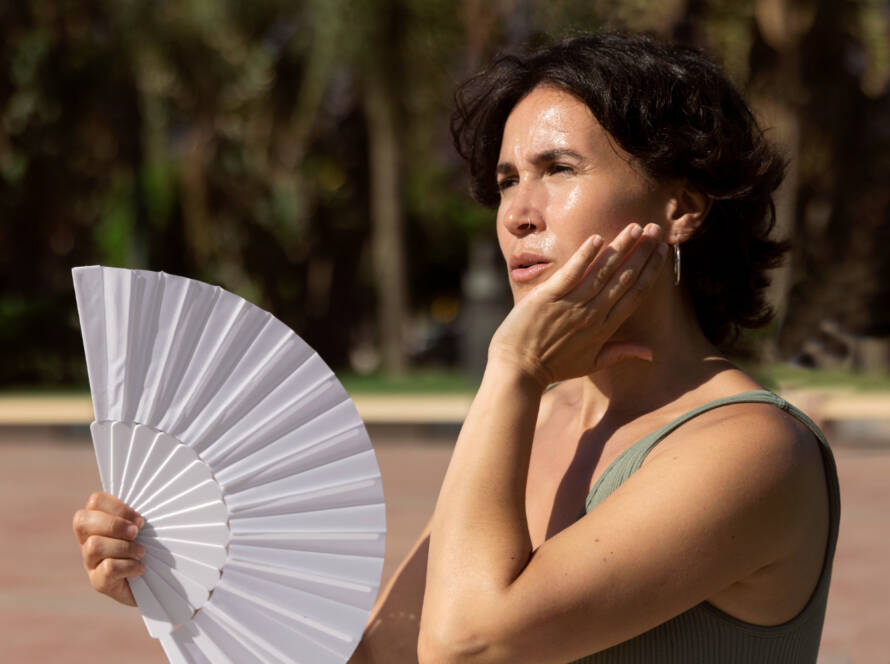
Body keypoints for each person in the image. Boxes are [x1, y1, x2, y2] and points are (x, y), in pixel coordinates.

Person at [73, 31, 839, 664]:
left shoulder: (752, 448)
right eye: (506, 181)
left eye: (558, 169)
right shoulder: (536, 420)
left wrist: (514, 369)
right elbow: (383, 655)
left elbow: (469, 644)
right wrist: (180, 584)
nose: (518, 213)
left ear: (682, 207)